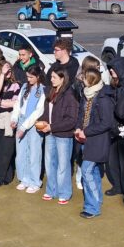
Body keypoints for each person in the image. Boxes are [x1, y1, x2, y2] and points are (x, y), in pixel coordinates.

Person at [75, 68, 113, 218]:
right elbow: (81, 114)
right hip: (86, 139)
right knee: (94, 171)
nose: (81, 79)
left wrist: (87, 131)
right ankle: (97, 200)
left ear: (90, 79)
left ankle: (92, 207)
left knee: (87, 171)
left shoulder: (103, 98)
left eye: (84, 77)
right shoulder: (86, 94)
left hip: (97, 141)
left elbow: (106, 123)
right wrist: (78, 128)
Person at [40, 68, 80, 204]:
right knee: (50, 164)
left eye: (54, 77)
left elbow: (71, 120)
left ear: (63, 79)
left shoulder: (70, 95)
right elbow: (47, 112)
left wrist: (52, 126)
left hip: (63, 136)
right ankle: (51, 190)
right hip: (50, 134)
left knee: (63, 165)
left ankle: (64, 193)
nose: (51, 80)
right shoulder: (51, 92)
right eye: (51, 77)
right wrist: (42, 121)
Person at [103, 57, 124, 204]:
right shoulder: (117, 85)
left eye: (114, 68)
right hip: (115, 128)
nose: (111, 71)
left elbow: (123, 112)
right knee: (113, 160)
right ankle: (118, 186)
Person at [11, 65, 46, 194]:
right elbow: (17, 104)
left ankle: (34, 181)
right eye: (27, 76)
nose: (28, 79)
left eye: (31, 77)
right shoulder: (24, 87)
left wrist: (24, 127)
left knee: (34, 154)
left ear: (38, 77)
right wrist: (14, 119)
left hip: (32, 124)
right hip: (21, 120)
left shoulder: (42, 90)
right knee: (21, 153)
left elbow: (38, 111)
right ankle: (24, 179)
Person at [0, 61, 20, 186]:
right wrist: (2, 75)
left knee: (8, 150)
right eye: (5, 70)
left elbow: (15, 103)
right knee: (0, 150)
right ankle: (8, 175)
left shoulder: (16, 85)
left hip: (9, 121)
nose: (8, 72)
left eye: (9, 70)